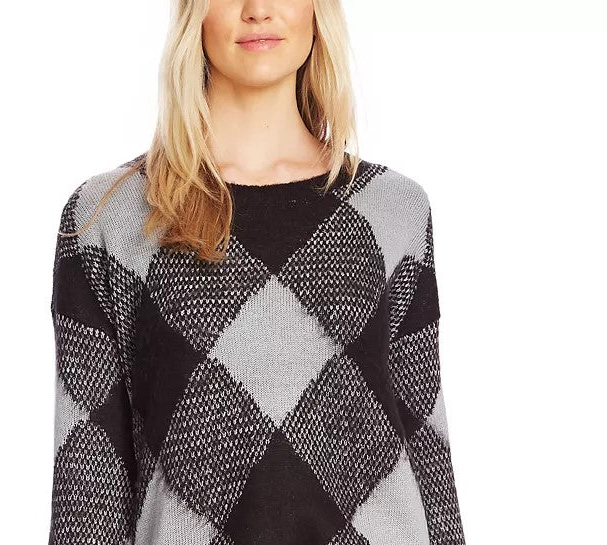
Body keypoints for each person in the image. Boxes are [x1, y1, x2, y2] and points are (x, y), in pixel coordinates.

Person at [47, 1, 466, 544]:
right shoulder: (111, 216)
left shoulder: (392, 209)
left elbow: (427, 444)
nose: (258, 10)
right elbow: (88, 483)